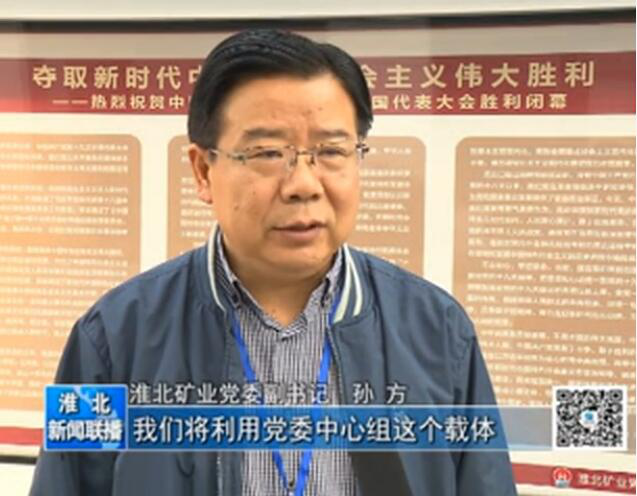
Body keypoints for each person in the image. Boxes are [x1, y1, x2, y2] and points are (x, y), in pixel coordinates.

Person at [30, 29, 517, 495]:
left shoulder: (437, 330)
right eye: (267, 152)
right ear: (203, 171)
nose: (303, 184)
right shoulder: (114, 337)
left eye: (331, 151)